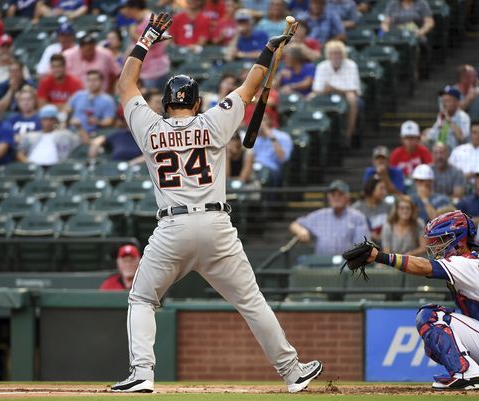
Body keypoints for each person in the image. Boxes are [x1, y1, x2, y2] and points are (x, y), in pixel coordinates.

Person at [111, 12, 322, 393]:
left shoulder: (149, 126)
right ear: (195, 102)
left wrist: (146, 39)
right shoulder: (212, 122)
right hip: (215, 226)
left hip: (171, 228)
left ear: (167, 103)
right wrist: (269, 49)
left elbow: (125, 83)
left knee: (142, 299)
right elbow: (251, 86)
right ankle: (292, 371)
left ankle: (142, 373)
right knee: (252, 301)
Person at [359, 210, 479, 390]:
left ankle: (467, 375)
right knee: (434, 346)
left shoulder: (465, 263)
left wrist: (379, 257)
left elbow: (424, 267)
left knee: (431, 317)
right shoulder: (475, 262)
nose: (438, 246)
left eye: (443, 239)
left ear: (460, 241)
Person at [290, 179, 371, 256]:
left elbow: (362, 247)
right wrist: (301, 230)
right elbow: (295, 224)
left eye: (340, 194)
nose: (336, 198)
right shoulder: (319, 215)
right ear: (329, 198)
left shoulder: (358, 217)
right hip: (321, 265)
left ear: (347, 198)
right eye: (333, 195)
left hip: (348, 266)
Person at [311, 40, 361, 144]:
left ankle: (348, 134)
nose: (335, 56)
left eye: (338, 53)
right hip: (326, 95)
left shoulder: (351, 65)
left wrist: (333, 89)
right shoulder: (322, 66)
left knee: (352, 98)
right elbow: (317, 89)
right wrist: (328, 90)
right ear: (328, 55)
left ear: (343, 54)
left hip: (345, 95)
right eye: (332, 53)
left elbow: (352, 89)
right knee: (310, 97)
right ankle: (316, 132)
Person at [121, 0, 171, 89]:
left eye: (125, 8)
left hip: (156, 69)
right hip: (146, 69)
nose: (123, 11)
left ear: (134, 8)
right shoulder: (137, 22)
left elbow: (160, 40)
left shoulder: (151, 19)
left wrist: (134, 34)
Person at [66, 70, 117, 136]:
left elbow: (109, 121)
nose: (91, 83)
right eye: (89, 80)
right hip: (72, 131)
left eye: (95, 80)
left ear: (101, 81)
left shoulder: (107, 100)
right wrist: (67, 118)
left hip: (92, 134)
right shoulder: (78, 95)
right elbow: (67, 110)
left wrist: (98, 122)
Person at [253, 112, 293, 186]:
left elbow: (283, 158)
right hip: (254, 168)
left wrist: (271, 136)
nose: (260, 122)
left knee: (264, 174)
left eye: (264, 119)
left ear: (270, 121)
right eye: (258, 119)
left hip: (271, 170)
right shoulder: (254, 138)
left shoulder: (283, 137)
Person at [426, 86, 470, 151]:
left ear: (457, 102)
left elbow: (463, 138)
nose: (444, 104)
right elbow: (431, 137)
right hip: (440, 152)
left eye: (448, 101)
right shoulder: (442, 116)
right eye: (443, 100)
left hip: (456, 153)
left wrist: (449, 121)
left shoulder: (463, 117)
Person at [352, 176, 392, 244]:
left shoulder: (388, 207)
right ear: (371, 189)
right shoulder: (356, 208)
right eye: (381, 188)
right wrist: (369, 234)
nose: (385, 192)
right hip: (363, 247)